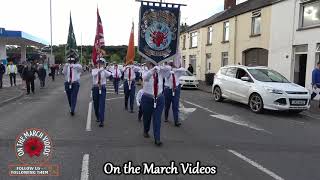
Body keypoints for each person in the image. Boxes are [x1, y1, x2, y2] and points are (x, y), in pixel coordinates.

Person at [141, 61, 170, 146]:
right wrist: (152, 70)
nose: (148, 63)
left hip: (159, 98)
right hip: (147, 98)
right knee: (147, 118)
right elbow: (145, 78)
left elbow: (169, 69)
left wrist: (160, 67)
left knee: (157, 119)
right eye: (148, 62)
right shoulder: (145, 70)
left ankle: (157, 138)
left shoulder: (160, 71)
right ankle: (146, 130)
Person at [164, 62, 186, 127]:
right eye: (171, 65)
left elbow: (184, 70)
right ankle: (166, 117)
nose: (172, 66)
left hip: (176, 90)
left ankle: (176, 121)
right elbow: (167, 75)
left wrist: (177, 69)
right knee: (167, 105)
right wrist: (170, 70)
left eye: (173, 65)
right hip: (168, 90)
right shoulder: (167, 72)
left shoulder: (177, 72)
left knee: (175, 105)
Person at [91, 58, 112, 127]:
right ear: (96, 64)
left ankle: (101, 120)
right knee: (96, 104)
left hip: (102, 88)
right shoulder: (94, 70)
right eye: (98, 63)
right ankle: (97, 116)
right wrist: (100, 70)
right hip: (95, 88)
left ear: (103, 64)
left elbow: (110, 74)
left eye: (101, 63)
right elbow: (94, 74)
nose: (99, 64)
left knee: (102, 105)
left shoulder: (104, 71)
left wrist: (105, 70)